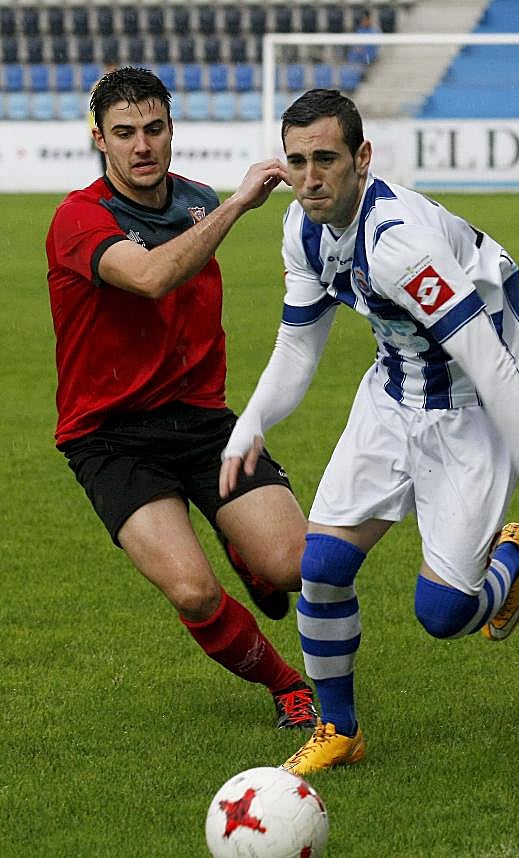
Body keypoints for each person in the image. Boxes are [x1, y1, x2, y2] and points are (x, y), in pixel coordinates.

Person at [219, 89, 519, 774]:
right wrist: (250, 423)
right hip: (393, 386)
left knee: (444, 614)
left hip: (473, 406)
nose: (311, 177)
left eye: (327, 159)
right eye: (298, 160)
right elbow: (299, 347)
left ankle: (507, 557)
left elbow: (488, 363)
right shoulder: (302, 227)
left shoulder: (399, 243)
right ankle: (339, 728)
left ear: (362, 158)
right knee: (322, 567)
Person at [46, 66, 317, 732]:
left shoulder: (193, 199)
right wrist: (236, 206)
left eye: (155, 128)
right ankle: (287, 688)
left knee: (295, 567)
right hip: (109, 437)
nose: (143, 145)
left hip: (201, 424)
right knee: (193, 591)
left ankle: (248, 555)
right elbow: (152, 277)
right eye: (125, 133)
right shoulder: (80, 218)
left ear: (171, 130)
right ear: (99, 140)